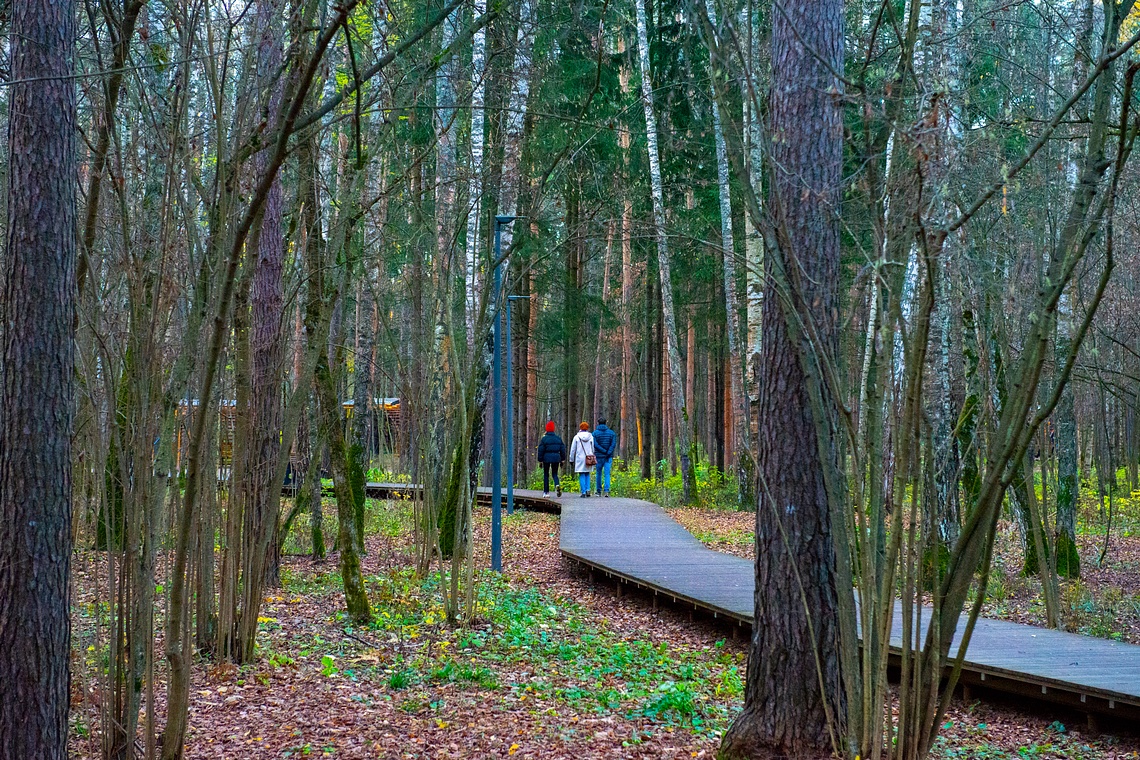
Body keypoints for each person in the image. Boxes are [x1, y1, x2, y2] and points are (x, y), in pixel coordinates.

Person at [536, 421, 566, 497]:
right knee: (554, 474)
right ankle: (557, 484)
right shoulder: (558, 438)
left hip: (546, 458)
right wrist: (562, 459)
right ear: (553, 429)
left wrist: (540, 460)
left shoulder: (544, 439)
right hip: (556, 458)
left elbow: (541, 450)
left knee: (546, 474)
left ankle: (546, 492)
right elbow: (562, 449)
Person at [568, 422, 596, 497]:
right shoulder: (591, 437)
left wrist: (571, 459)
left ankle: (583, 492)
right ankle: (588, 489)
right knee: (587, 473)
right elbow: (593, 448)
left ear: (580, 428)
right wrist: (592, 455)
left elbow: (573, 449)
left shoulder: (576, 437)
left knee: (582, 474)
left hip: (580, 458)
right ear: (587, 428)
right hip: (589, 457)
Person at [592, 418, 617, 497]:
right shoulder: (612, 433)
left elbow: (595, 445)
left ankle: (598, 491)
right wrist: (608, 452)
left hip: (599, 456)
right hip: (608, 457)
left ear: (598, 423)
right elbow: (613, 444)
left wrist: (603, 451)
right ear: (606, 423)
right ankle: (606, 491)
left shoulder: (595, 433)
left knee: (598, 473)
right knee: (607, 474)